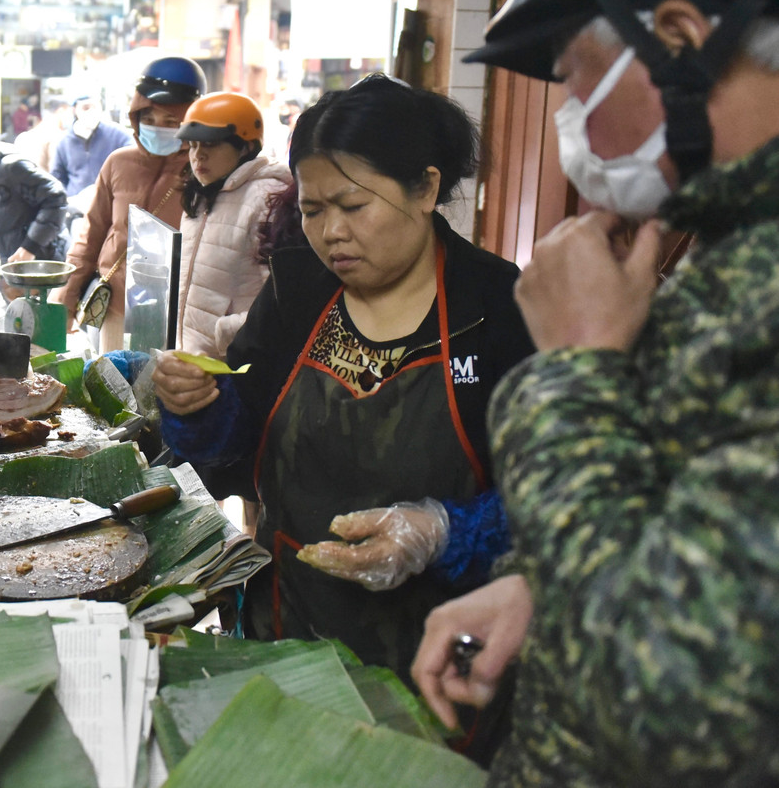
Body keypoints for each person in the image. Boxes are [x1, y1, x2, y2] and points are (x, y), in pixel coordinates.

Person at [410, 0, 779, 784]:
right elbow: (709, 562)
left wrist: (574, 372)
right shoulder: (731, 244)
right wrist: (544, 584)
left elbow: (683, 712)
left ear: (682, 39)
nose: (569, 117)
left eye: (576, 77)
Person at [153, 75, 535, 688]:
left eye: (353, 207)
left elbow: (552, 502)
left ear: (426, 189)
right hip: (287, 636)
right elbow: (236, 450)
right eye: (312, 209)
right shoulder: (297, 293)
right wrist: (197, 410)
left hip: (445, 667)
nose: (331, 232)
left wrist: (444, 531)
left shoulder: (497, 307)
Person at [56, 56, 207, 352]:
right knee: (109, 389)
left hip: (174, 316)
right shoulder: (118, 162)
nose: (157, 128)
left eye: (170, 122)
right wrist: (67, 297)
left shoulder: (202, 171)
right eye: (148, 119)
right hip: (114, 307)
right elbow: (91, 235)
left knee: (154, 395)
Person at [173, 91, 290, 358]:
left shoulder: (267, 199)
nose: (198, 156)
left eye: (210, 145)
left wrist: (227, 333)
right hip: (192, 359)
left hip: (238, 364)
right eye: (192, 145)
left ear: (246, 147)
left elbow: (283, 297)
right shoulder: (200, 194)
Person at [0, 137, 70, 301]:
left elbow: (56, 198)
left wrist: (30, 247)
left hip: (47, 265)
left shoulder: (11, 168)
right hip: (16, 272)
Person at [51, 93, 132, 197]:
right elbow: (57, 178)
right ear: (75, 110)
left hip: (110, 203)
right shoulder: (64, 142)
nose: (91, 112)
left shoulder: (119, 135)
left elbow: (133, 165)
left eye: (95, 107)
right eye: (86, 108)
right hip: (76, 207)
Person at [12, 95, 70, 174]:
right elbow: (56, 172)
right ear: (61, 111)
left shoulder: (24, 137)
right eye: (70, 113)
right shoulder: (57, 137)